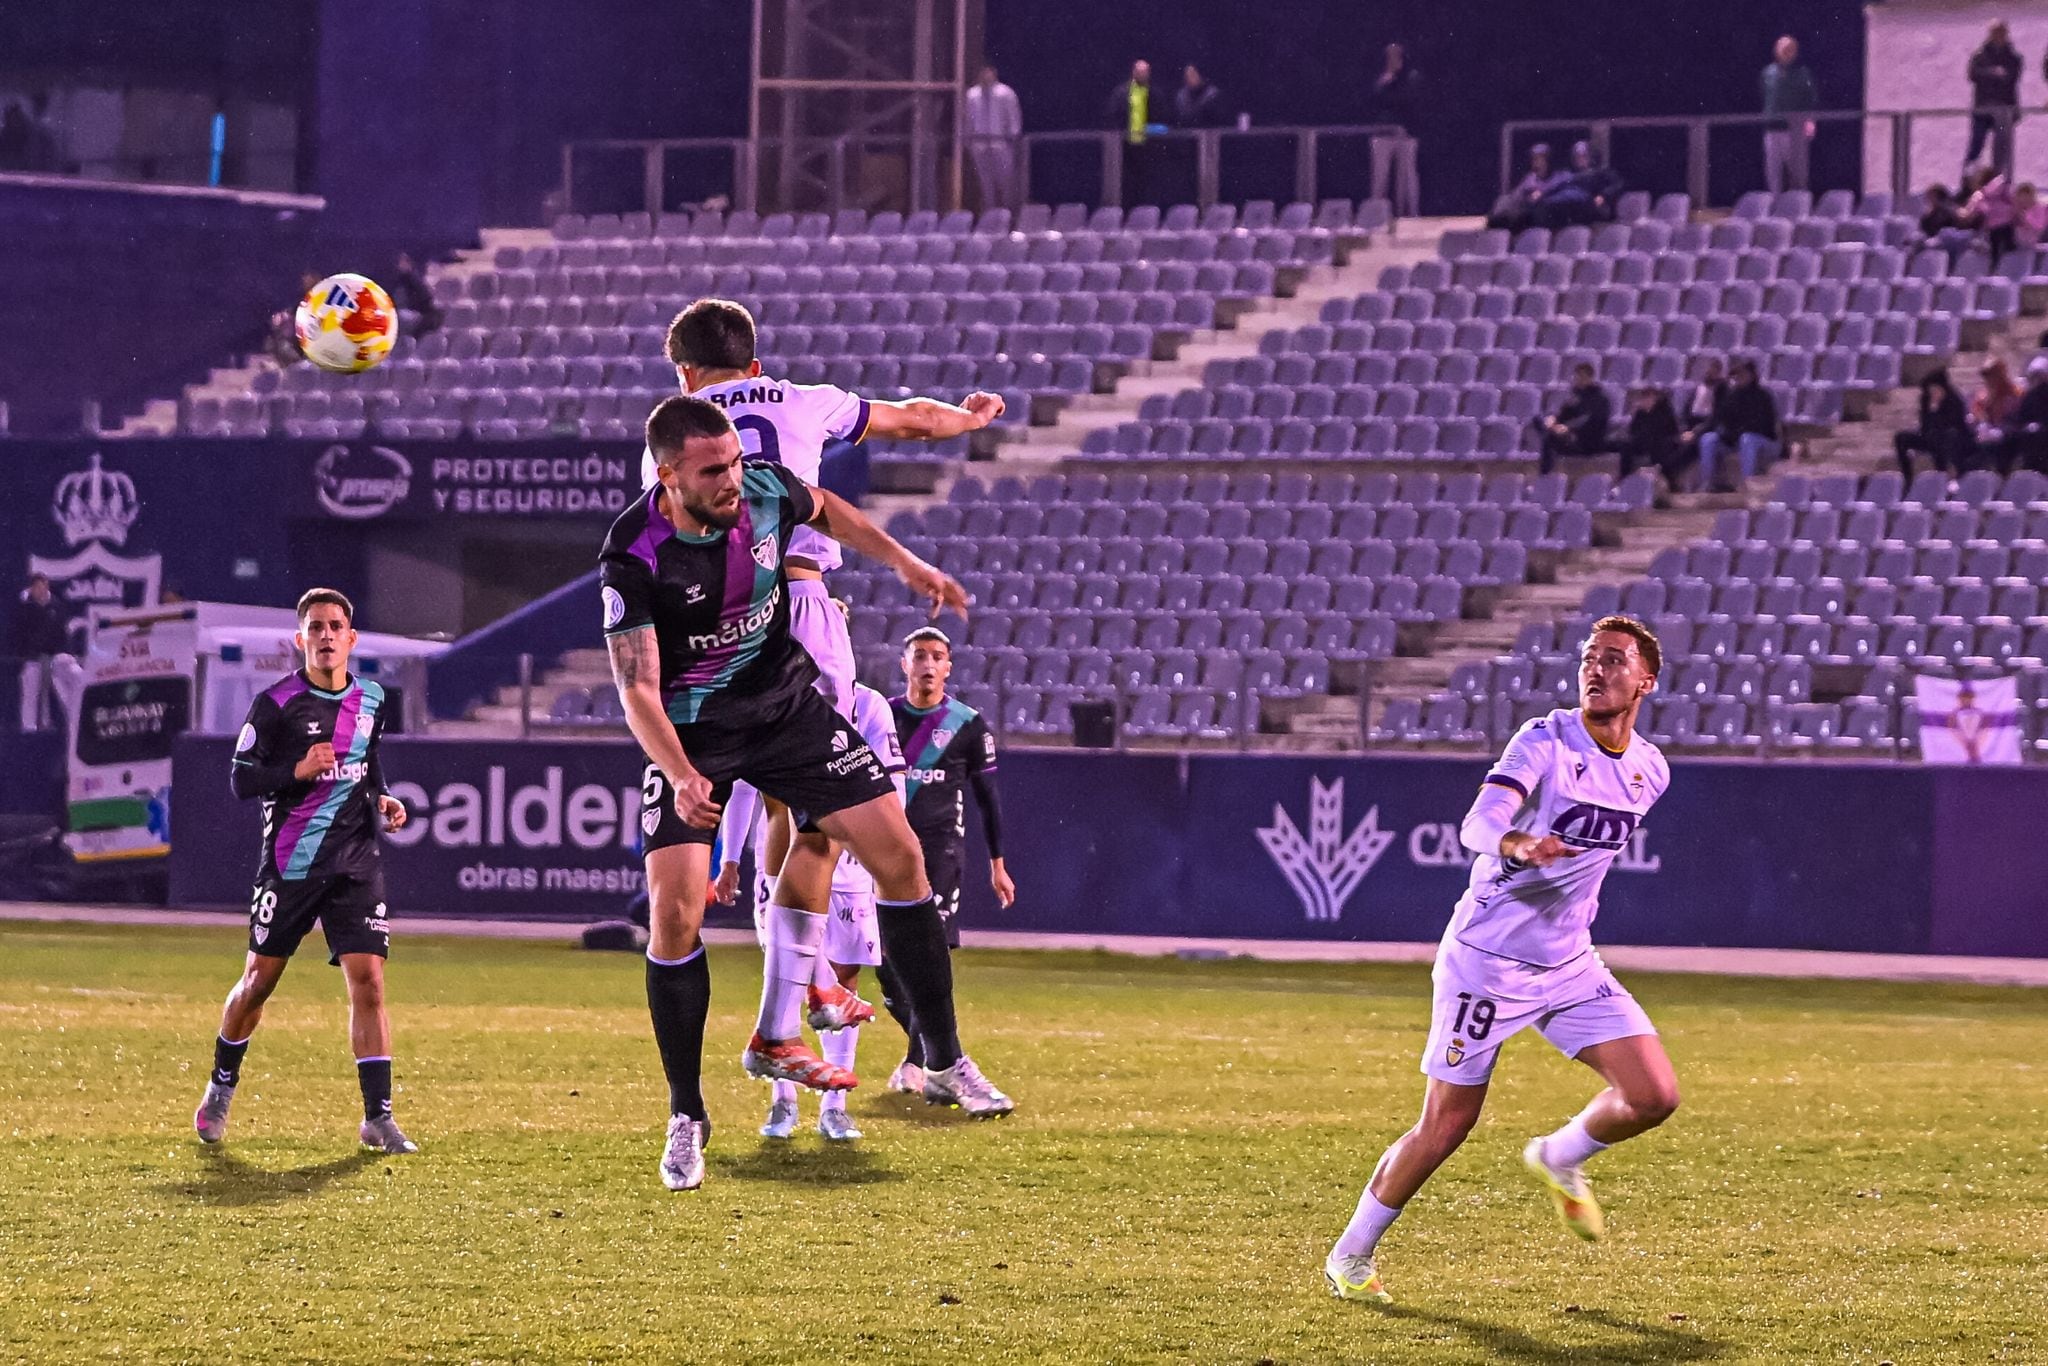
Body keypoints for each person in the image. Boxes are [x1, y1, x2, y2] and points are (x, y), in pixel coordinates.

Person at [605, 396, 1013, 1191]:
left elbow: (829, 509)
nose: (733, 480)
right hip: (694, 732)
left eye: (734, 461)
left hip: (786, 712)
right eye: (712, 471)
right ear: (668, 475)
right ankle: (687, 1113)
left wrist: (904, 563)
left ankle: (943, 1058)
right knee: (674, 914)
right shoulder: (635, 552)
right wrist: (683, 775)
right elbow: (637, 689)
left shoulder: (763, 489)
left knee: (902, 860)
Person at [1325, 616, 1677, 1305]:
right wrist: (1516, 843)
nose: (1596, 669)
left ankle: (1558, 1156)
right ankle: (1350, 1256)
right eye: (1590, 657)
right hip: (1487, 962)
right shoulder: (1545, 739)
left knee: (1653, 1096)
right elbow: (1479, 822)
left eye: (1614, 660)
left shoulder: (1651, 771)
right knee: (1447, 1125)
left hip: (1569, 963)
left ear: (1645, 682)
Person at [191, 588, 416, 1155]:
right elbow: (241, 779)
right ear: (301, 639)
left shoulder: (372, 698)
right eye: (315, 627)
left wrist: (383, 797)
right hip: (291, 864)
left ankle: (379, 1117)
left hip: (355, 863)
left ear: (351, 638)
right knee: (257, 984)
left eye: (335, 626)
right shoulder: (275, 704)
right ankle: (220, 1087)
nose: (326, 635)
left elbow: (367, 761)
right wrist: (296, 769)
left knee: (370, 982)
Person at [714, 669, 907, 1144]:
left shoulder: (869, 706)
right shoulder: (773, 704)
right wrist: (730, 858)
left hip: (851, 863)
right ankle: (783, 1099)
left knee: (844, 980)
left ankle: (835, 1108)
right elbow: (745, 788)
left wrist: (878, 845)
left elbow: (892, 784)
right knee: (788, 974)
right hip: (783, 868)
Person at [882, 627, 1016, 1094]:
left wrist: (998, 863)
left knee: (930, 953)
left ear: (948, 667)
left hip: (940, 852)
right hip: (886, 851)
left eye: (937, 656)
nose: (928, 664)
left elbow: (988, 798)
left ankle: (918, 1062)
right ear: (904, 664)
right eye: (919, 655)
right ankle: (925, 1050)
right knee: (885, 964)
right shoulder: (883, 717)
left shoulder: (968, 724)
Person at [1697, 358, 1782, 491]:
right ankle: (1707, 483)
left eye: (1742, 373)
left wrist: (1734, 433)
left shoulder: (1763, 396)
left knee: (1747, 439)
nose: (1738, 377)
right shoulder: (1731, 396)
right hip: (1736, 441)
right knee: (1708, 439)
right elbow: (1718, 419)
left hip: (1764, 442)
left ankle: (1748, 485)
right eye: (1736, 374)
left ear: (1752, 374)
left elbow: (1763, 427)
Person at [1368, 42, 1422, 219]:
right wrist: (1385, 82)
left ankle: (1412, 214)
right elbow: (1373, 100)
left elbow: (1407, 101)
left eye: (1396, 56)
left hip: (1406, 133)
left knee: (1408, 176)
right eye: (1390, 56)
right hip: (1382, 133)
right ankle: (1376, 215)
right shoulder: (1380, 78)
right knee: (1380, 177)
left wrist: (1392, 87)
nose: (1393, 60)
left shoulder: (1412, 77)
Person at [9, 572, 69, 731]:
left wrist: (58, 651)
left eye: (43, 587)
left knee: (55, 692)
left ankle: (50, 723)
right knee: (30, 693)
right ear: (32, 588)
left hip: (52, 657)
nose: (40, 591)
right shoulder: (25, 606)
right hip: (31, 658)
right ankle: (29, 727)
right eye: (36, 587)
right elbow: (18, 632)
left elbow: (61, 631)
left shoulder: (56, 606)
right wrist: (24, 653)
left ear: (47, 586)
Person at [1760, 36, 1818, 194]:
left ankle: (1799, 204)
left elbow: (1811, 99)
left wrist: (1810, 121)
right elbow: (1764, 96)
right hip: (1772, 130)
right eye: (1783, 49)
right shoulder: (1768, 73)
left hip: (1795, 130)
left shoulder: (1802, 74)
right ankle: (1774, 204)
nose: (1786, 52)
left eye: (1790, 49)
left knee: (1798, 174)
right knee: (1773, 174)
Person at [1966, 21, 2023, 181]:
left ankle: (1999, 183)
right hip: (1982, 108)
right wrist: (1993, 73)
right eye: (1995, 32)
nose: (1998, 36)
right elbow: (1973, 75)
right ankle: (1967, 183)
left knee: (2001, 149)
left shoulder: (2013, 56)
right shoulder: (1980, 55)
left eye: (2001, 32)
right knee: (1976, 146)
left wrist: (1994, 76)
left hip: (2004, 110)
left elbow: (2011, 77)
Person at [1532, 362, 1612, 474]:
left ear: (1590, 378)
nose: (1578, 380)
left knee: (1549, 440)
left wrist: (1568, 428)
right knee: (1539, 419)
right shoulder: (1575, 396)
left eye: (1582, 377)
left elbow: (1590, 421)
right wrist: (1553, 419)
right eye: (1577, 377)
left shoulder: (1600, 399)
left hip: (1588, 442)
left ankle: (1545, 474)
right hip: (1570, 437)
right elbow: (1564, 413)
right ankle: (1547, 468)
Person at [1893, 369, 1973, 479]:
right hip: (1930, 437)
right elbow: (1925, 425)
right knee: (1901, 438)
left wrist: (1938, 413)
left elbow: (1955, 424)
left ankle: (1948, 474)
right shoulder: (1926, 400)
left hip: (1951, 439)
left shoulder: (1954, 400)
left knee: (1947, 436)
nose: (1933, 393)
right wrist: (1933, 409)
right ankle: (1908, 477)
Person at [964, 65, 1023, 213]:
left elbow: (1013, 117)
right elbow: (968, 118)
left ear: (993, 73)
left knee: (1005, 181)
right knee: (985, 182)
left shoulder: (1005, 93)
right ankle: (990, 213)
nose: (985, 76)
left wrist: (1013, 137)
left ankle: (1008, 213)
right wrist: (968, 139)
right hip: (979, 144)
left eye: (988, 72)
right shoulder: (972, 94)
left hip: (1001, 143)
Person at [1536, 141, 1624, 228]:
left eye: (1583, 156)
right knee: (1549, 202)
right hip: (1571, 203)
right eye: (1577, 156)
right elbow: (1560, 187)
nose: (1580, 159)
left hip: (1591, 203)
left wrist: (1603, 196)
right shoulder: (1572, 175)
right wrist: (1543, 194)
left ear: (1591, 156)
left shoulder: (1602, 172)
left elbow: (1617, 184)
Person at [1105, 60, 1156, 206]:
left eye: (1145, 72)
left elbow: (1163, 118)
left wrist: (1151, 130)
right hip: (1126, 147)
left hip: (1148, 148)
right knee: (1127, 185)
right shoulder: (1121, 93)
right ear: (1133, 72)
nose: (1142, 75)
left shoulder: (1155, 93)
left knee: (1146, 186)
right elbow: (1113, 117)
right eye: (1140, 71)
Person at [1615, 387, 1682, 487]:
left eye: (1648, 398)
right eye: (1644, 398)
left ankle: (1671, 482)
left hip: (1662, 442)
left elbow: (1671, 430)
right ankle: (1624, 476)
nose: (1645, 401)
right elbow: (1633, 431)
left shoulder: (1665, 411)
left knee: (1661, 447)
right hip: (1643, 441)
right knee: (1626, 444)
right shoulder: (1640, 413)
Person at [1487, 144, 1563, 232]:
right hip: (1528, 219)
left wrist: (1543, 193)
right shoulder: (1530, 179)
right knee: (1503, 201)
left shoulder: (1560, 177)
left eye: (1541, 159)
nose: (1537, 163)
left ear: (1549, 161)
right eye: (1534, 159)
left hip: (1548, 219)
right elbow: (1516, 196)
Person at [1969, 357, 2023, 473]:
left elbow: (2016, 421)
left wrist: (2000, 432)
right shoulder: (1983, 395)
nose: (1989, 380)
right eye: (1987, 377)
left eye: (1992, 376)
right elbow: (1976, 414)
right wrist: (1981, 423)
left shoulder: (2015, 393)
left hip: (2009, 440)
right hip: (1988, 439)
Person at [387, 252, 442, 336]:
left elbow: (426, 302)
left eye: (403, 262)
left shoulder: (416, 282)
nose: (400, 265)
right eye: (398, 262)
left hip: (416, 319)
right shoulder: (395, 283)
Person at [1173, 64, 1226, 129]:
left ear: (1201, 75)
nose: (1189, 79)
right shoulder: (1181, 96)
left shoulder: (1212, 94)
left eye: (1192, 75)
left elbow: (1217, 121)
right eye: (1186, 76)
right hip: (1186, 132)